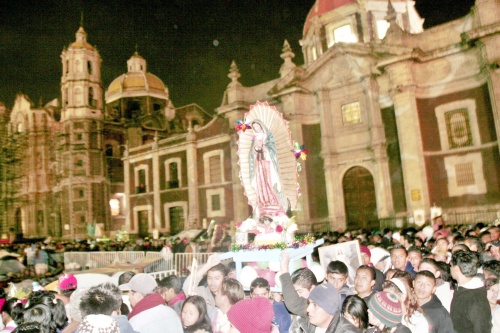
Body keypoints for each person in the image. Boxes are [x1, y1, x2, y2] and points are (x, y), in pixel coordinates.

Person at [450, 250, 492, 333]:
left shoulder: (476, 298)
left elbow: (482, 329)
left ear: (456, 269)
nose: (450, 268)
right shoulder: (461, 289)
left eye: (451, 266)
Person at [250, 119, 285, 217]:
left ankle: (271, 199)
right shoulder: (255, 138)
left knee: (268, 181)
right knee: (261, 182)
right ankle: (263, 199)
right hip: (259, 163)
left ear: (261, 126)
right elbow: (252, 154)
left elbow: (272, 148)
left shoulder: (268, 136)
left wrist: (265, 148)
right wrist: (256, 150)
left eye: (258, 126)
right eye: (254, 127)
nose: (256, 128)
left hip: (268, 163)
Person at [279, 252, 318, 332]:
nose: (297, 295)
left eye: (300, 291)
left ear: (312, 288)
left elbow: (293, 304)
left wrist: (284, 267)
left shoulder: (318, 305)